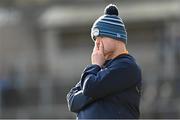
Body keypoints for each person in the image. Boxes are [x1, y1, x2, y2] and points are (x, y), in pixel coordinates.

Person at [67, 4, 142, 119]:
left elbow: (90, 88)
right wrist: (96, 73)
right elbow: (72, 101)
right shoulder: (99, 68)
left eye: (100, 36)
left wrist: (95, 65)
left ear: (116, 36)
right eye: (95, 39)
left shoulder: (127, 66)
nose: (97, 43)